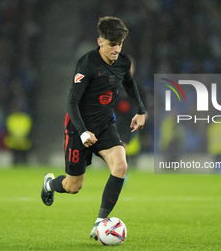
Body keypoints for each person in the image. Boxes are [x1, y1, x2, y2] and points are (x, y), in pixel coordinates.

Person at [40, 16, 145, 240]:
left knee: (121, 165)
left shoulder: (123, 62)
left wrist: (141, 110)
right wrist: (83, 131)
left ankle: (100, 223)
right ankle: (50, 184)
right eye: (112, 44)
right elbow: (72, 102)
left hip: (106, 125)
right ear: (100, 42)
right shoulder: (87, 64)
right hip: (79, 128)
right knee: (73, 186)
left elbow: (129, 83)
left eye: (120, 44)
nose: (116, 49)